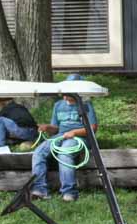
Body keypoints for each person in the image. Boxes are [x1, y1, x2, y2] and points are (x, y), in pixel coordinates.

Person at [31, 74, 98, 202]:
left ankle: (69, 192)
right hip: (60, 135)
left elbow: (93, 128)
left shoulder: (85, 104)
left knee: (64, 153)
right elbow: (56, 128)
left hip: (79, 137)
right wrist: (47, 128)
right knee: (39, 152)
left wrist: (74, 132)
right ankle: (40, 189)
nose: (65, 94)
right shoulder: (58, 105)